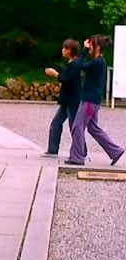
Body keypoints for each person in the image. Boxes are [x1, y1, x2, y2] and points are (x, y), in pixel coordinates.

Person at [67, 34, 123, 167]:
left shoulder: (97, 62)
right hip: (93, 101)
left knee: (77, 126)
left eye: (91, 44)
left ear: (97, 46)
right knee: (93, 128)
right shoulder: (99, 61)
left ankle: (77, 157)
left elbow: (78, 66)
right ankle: (115, 151)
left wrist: (84, 50)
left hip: (89, 101)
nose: (89, 47)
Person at [44, 38, 82, 156]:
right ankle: (52, 150)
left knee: (74, 127)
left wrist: (54, 73)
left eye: (65, 48)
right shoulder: (71, 64)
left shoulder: (75, 64)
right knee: (56, 123)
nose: (63, 50)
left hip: (72, 100)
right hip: (66, 100)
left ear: (70, 50)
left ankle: (81, 151)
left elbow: (66, 79)